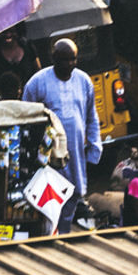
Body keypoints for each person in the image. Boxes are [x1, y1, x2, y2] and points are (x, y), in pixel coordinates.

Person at [22, 39, 103, 234]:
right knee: (50, 199)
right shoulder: (37, 82)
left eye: (72, 59)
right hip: (49, 155)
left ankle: (64, 236)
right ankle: (49, 236)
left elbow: (91, 117)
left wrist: (95, 146)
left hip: (76, 152)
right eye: (64, 60)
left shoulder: (84, 81)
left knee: (73, 195)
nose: (69, 64)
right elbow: (25, 117)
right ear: (54, 58)